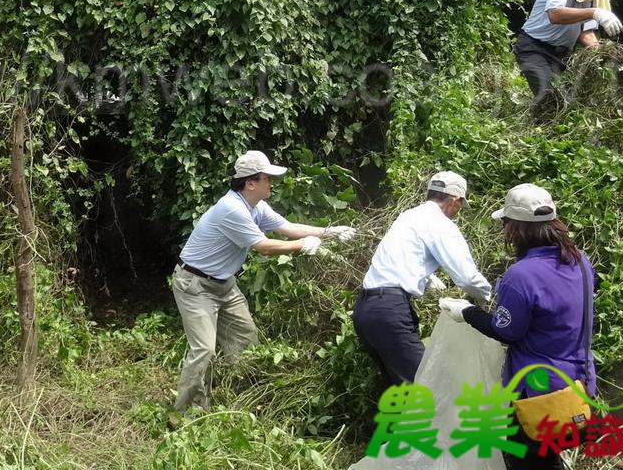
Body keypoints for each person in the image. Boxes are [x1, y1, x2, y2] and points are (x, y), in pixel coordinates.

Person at [171, 150, 355, 413]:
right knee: (204, 350)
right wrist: (302, 246)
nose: (272, 183)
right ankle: (186, 414)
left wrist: (329, 232)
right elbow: (264, 247)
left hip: (223, 284)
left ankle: (244, 402)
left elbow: (287, 227)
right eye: (267, 178)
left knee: (246, 339)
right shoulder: (231, 209)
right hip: (195, 285)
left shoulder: (255, 206)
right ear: (250, 183)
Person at [440, 183, 596, 470]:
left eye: (506, 225)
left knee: (528, 461)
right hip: (580, 389)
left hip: (540, 397)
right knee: (547, 460)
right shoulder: (581, 262)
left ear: (515, 228)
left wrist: (468, 313)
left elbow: (506, 331)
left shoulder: (521, 275)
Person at [352, 171, 492, 391]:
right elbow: (467, 278)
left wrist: (425, 277)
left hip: (364, 310)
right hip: (389, 311)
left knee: (397, 392)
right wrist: (490, 298)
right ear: (455, 201)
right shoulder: (441, 224)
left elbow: (400, 256)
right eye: (459, 208)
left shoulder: (409, 216)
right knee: (426, 391)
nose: (456, 214)